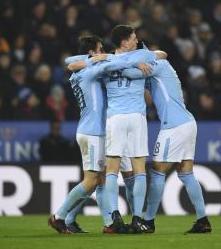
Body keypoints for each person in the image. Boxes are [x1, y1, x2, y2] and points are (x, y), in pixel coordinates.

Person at [48, 35, 151, 234]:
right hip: (92, 132)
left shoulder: (84, 69)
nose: (104, 52)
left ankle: (108, 223)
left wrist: (94, 58)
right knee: (91, 180)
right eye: (101, 48)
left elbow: (71, 62)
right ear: (92, 52)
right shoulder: (88, 72)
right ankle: (60, 217)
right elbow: (106, 66)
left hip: (94, 130)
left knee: (101, 179)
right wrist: (137, 60)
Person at [122, 58, 212, 234]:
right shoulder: (161, 68)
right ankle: (203, 220)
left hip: (173, 126)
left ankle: (148, 221)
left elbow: (130, 73)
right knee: (186, 173)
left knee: (157, 170)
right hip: (187, 122)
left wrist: (117, 64)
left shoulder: (158, 64)